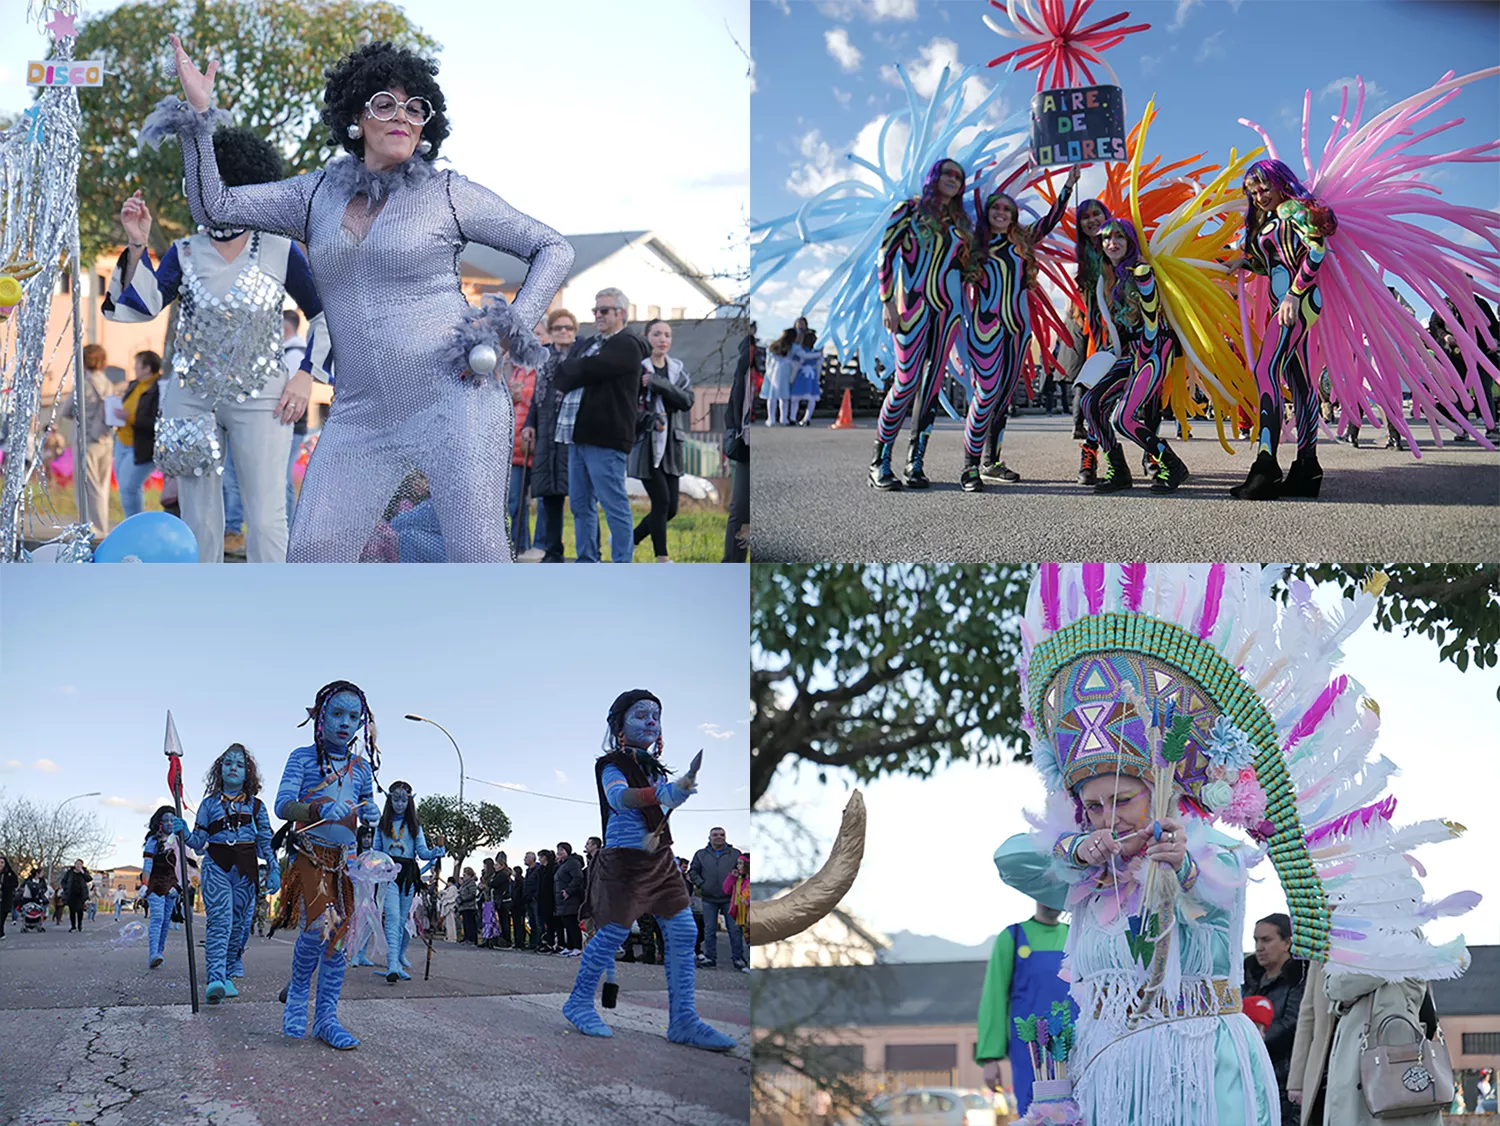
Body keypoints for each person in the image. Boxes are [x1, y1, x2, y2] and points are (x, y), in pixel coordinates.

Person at [168, 36, 573, 561]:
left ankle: (488, 642)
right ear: (357, 116)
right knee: (313, 552)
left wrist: (509, 324)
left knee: (476, 552)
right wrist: (200, 115)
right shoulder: (314, 195)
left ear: (428, 126)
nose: (402, 117)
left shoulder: (448, 193)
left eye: (415, 108)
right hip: (361, 412)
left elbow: (552, 248)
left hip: (455, 399)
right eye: (385, 104)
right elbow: (213, 205)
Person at [106, 126, 327, 563]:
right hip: (191, 400)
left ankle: (275, 617)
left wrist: (305, 378)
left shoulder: (281, 250)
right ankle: (199, 612)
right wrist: (137, 243)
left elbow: (324, 316)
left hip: (265, 396)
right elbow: (136, 307)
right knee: (198, 519)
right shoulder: (183, 252)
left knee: (266, 516)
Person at [562, 689, 735, 1050]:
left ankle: (684, 1019)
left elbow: (662, 800)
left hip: (661, 858)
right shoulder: (612, 765)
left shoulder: (652, 768)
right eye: (641, 715)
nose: (652, 721)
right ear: (619, 725)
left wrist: (678, 790)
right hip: (624, 861)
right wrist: (663, 794)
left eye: (656, 715)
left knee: (686, 931)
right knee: (612, 935)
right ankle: (578, 1002)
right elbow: (619, 798)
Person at [272, 680, 379, 1049]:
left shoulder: (361, 768)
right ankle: (298, 997)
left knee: (338, 937)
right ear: (320, 718)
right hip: (311, 853)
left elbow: (364, 804)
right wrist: (317, 808)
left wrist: (373, 813)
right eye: (337, 713)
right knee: (318, 926)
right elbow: (282, 805)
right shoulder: (301, 757)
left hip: (346, 863)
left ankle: (327, 1018)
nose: (346, 723)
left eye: (354, 716)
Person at [1223, 159, 1337, 500]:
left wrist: (1293, 293)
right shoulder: (1272, 219)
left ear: (1281, 183)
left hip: (1296, 303)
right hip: (1288, 304)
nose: (1259, 196)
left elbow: (1317, 250)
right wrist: (1245, 261)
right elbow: (1274, 263)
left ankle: (1266, 465)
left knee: (1265, 369)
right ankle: (1307, 465)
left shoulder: (1295, 210)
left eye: (1264, 188)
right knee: (1300, 382)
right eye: (1252, 191)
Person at [959, 165, 1078, 492]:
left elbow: (1051, 220)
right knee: (985, 395)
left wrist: (1068, 186)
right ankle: (969, 466)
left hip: (1017, 331)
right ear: (988, 214)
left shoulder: (1022, 242)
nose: (1001, 212)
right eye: (996, 207)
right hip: (985, 331)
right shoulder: (975, 245)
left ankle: (991, 462)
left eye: (1007, 209)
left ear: (1013, 216)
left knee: (1002, 398)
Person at [869, 158, 973, 490]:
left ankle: (916, 463)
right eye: (948, 173)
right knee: (905, 382)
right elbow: (885, 254)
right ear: (933, 177)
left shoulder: (960, 221)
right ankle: (879, 462)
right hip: (911, 310)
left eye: (959, 176)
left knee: (930, 389)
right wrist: (887, 301)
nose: (953, 179)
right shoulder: (909, 210)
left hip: (948, 314)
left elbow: (966, 266)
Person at [1077, 218, 1188, 494]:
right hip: (1130, 354)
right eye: (1106, 238)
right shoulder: (1108, 277)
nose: (1111, 243)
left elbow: (1151, 322)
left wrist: (1144, 362)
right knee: (1090, 403)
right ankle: (1119, 469)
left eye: (1119, 238)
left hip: (1152, 350)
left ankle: (1172, 464)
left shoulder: (1141, 271)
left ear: (1130, 242)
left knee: (1122, 419)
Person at [554, 288, 648, 562]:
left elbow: (595, 368)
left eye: (604, 310)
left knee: (613, 504)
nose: (597, 315)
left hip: (606, 438)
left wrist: (579, 367)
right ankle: (586, 560)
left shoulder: (627, 343)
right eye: (595, 310)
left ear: (621, 313)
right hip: (577, 436)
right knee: (581, 506)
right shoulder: (591, 343)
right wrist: (581, 367)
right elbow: (563, 375)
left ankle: (621, 562)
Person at [183, 743, 278, 1003]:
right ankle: (215, 977)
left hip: (246, 870)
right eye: (228, 763)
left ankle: (225, 972)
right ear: (219, 769)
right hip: (216, 865)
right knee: (220, 921)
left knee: (239, 926)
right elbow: (198, 841)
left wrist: (274, 869)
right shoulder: (208, 804)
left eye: (239, 764)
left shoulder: (257, 806)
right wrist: (185, 833)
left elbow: (267, 842)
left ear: (248, 773)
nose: (233, 768)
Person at [974, 900, 1072, 1114]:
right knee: (1034, 1113)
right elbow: (994, 997)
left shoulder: (1075, 935)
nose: (1051, 899)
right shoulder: (1013, 936)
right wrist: (991, 1057)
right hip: (1030, 1050)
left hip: (1075, 1045)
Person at [631, 319, 695, 562]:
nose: (662, 339)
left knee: (671, 510)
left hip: (671, 446)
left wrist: (659, 384)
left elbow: (687, 401)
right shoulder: (638, 370)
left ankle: (631, 540)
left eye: (667, 335)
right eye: (657, 334)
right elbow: (629, 407)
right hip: (647, 444)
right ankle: (662, 558)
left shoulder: (677, 370)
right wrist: (649, 419)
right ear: (647, 337)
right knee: (661, 501)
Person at [520, 308, 579, 562]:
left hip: (573, 432)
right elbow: (536, 398)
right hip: (546, 431)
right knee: (550, 496)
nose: (563, 332)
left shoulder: (581, 357)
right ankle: (553, 550)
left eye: (568, 328)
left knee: (579, 496)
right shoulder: (544, 359)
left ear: (575, 332)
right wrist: (529, 424)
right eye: (558, 328)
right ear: (551, 332)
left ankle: (590, 551)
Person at [371, 780, 443, 981]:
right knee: (392, 917)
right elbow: (376, 852)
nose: (400, 804)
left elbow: (422, 852)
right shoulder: (381, 825)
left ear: (409, 801)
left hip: (409, 875)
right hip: (389, 873)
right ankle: (392, 965)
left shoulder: (415, 826)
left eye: (403, 800)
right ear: (389, 799)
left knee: (402, 921)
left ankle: (396, 960)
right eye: (396, 799)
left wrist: (436, 852)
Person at [1243, 913, 1306, 1126]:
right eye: (1256, 940)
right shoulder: (1247, 977)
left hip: (1283, 1077)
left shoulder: (1299, 978)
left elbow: (1292, 1023)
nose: (1259, 947)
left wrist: (1248, 1041)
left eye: (1266, 940)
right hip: (1247, 1074)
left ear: (1287, 942)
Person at [60, 344, 115, 537]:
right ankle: (103, 526)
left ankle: (95, 529)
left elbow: (66, 411)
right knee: (103, 486)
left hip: (86, 440)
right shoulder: (108, 383)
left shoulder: (82, 383)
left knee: (88, 487)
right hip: (106, 439)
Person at [110, 350, 162, 520]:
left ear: (147, 368)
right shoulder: (134, 385)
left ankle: (134, 523)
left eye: (137, 365)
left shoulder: (158, 389)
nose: (134, 369)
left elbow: (155, 421)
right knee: (124, 487)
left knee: (129, 487)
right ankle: (130, 520)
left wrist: (130, 418)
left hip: (141, 446)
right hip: (122, 441)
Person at [690, 826, 746, 972]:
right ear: (710, 837)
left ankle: (738, 959)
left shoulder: (735, 854)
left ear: (725, 837)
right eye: (715, 835)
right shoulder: (701, 854)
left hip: (730, 898)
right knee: (709, 930)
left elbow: (743, 871)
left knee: (734, 929)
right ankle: (710, 958)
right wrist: (702, 884)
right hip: (708, 898)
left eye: (721, 834)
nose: (718, 837)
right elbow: (693, 871)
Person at [722, 323, 752, 562]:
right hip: (747, 443)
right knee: (741, 509)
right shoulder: (746, 353)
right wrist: (734, 429)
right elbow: (735, 397)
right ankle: (732, 563)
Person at [504, 343, 539, 555]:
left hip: (536, 442)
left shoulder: (540, 371)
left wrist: (522, 396)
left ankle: (540, 546)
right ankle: (520, 547)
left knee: (542, 501)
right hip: (516, 446)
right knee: (514, 501)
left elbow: (539, 399)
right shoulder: (516, 369)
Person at [142, 806, 187, 967]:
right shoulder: (153, 841)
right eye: (166, 820)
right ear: (159, 823)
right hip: (156, 884)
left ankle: (159, 953)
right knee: (157, 919)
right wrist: (145, 885)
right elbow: (147, 865)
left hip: (172, 886)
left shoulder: (179, 841)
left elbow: (184, 867)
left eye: (172, 820)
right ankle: (153, 953)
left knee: (165, 921)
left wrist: (180, 886)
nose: (169, 823)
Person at [281, 309, 309, 524]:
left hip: (291, 426)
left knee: (284, 481)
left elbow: (287, 392)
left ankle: (289, 527)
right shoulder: (293, 352)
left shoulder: (294, 354)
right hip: (289, 425)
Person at [554, 842, 586, 955]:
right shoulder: (563, 864)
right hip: (561, 899)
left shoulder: (573, 863)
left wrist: (568, 890)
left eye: (561, 850)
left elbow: (578, 877)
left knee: (572, 923)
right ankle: (569, 946)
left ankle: (577, 947)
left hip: (570, 898)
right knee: (566, 923)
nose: (559, 852)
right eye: (558, 850)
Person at [761, 328, 796, 426]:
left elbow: (767, 362)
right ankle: (783, 418)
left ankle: (771, 419)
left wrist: (768, 371)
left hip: (772, 372)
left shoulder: (772, 347)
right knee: (784, 397)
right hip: (784, 372)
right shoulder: (793, 348)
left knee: (772, 397)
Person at [723, 852, 750, 968]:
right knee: (742, 937)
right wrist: (731, 877)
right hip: (739, 914)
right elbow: (726, 890)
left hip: (749, 914)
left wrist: (748, 901)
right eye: (737, 863)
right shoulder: (739, 880)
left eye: (740, 864)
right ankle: (741, 959)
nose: (738, 866)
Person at [789, 328, 822, 424]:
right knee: (812, 399)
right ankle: (806, 419)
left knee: (795, 398)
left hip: (801, 376)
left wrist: (791, 379)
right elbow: (819, 367)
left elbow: (795, 365)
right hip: (812, 377)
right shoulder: (817, 354)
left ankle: (792, 418)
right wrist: (818, 378)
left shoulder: (800, 351)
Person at [60, 859, 92, 932]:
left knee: (80, 911)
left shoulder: (84, 872)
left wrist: (83, 872)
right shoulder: (69, 872)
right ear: (74, 864)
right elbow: (63, 881)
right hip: (71, 894)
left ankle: (79, 925)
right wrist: (66, 888)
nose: (78, 865)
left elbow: (89, 879)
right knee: (72, 911)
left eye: (80, 864)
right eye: (77, 864)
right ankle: (73, 926)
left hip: (81, 895)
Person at [536, 849, 558, 952]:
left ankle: (553, 942)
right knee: (545, 922)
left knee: (551, 922)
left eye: (540, 857)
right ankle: (547, 942)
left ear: (545, 857)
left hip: (550, 898)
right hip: (542, 898)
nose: (539, 859)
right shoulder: (541, 870)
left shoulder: (552, 868)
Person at [523, 850, 541, 949]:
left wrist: (534, 896)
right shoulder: (528, 871)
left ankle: (539, 942)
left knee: (538, 922)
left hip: (535, 900)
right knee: (532, 922)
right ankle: (532, 942)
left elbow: (537, 884)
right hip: (528, 900)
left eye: (526, 857)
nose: (524, 859)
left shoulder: (537, 870)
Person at [457, 867, 480, 946]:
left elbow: (472, 894)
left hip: (469, 906)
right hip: (463, 906)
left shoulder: (471, 883)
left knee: (470, 924)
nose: (464, 876)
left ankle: (472, 939)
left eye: (465, 875)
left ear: (469, 875)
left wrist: (463, 898)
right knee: (465, 923)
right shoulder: (464, 883)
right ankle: (466, 937)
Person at [509, 864, 528, 948]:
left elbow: (519, 894)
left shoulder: (520, 882)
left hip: (518, 905)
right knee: (518, 924)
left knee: (519, 924)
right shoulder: (516, 882)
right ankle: (518, 941)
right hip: (516, 905)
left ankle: (520, 941)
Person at [438, 872, 459, 944]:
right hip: (447, 907)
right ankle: (449, 936)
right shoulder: (450, 888)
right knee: (448, 923)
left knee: (451, 923)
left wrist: (443, 892)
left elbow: (449, 896)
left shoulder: (453, 888)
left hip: (450, 907)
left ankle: (452, 937)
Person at [0, 856, 17, 938]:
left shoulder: (9, 873)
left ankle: (1, 932)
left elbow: (15, 883)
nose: (0, 864)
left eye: (2, 862)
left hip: (5, 898)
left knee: (2, 917)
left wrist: (5, 886)